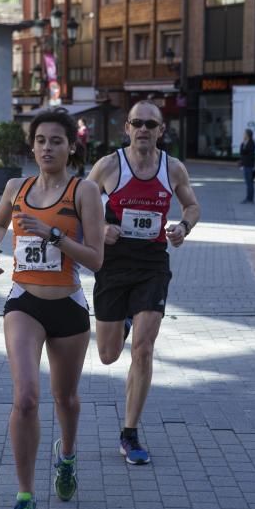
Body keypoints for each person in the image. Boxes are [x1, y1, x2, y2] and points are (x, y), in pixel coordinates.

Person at [0, 109, 104, 509]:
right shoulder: (17, 187)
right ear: (31, 146)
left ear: (72, 146)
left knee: (65, 398)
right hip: (24, 303)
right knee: (27, 398)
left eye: (57, 140)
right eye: (40, 140)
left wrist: (54, 235)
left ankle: (67, 457)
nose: (47, 147)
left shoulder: (84, 191)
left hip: (68, 306)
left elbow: (95, 258)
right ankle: (24, 496)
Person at [87, 100, 200, 465]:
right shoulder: (108, 166)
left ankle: (130, 433)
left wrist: (183, 226)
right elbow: (79, 204)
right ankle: (121, 321)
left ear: (161, 130)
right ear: (127, 127)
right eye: (137, 123)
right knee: (107, 355)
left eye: (151, 124)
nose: (144, 130)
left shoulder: (173, 168)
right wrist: (102, 228)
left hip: (152, 264)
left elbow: (192, 206)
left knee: (144, 349)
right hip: (114, 264)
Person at [240, 128, 255, 204]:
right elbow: (242, 152)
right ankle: (249, 198)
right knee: (248, 182)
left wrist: (243, 143)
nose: (243, 135)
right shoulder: (247, 143)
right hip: (246, 165)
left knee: (249, 182)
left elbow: (244, 152)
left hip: (249, 165)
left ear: (248, 135)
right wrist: (243, 143)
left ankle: (250, 198)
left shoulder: (251, 143)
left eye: (244, 134)